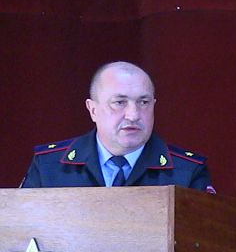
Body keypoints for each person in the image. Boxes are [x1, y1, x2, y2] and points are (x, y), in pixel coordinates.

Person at [20, 61, 215, 192]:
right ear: (93, 110)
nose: (133, 115)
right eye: (120, 102)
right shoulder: (49, 166)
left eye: (143, 102)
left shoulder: (187, 172)